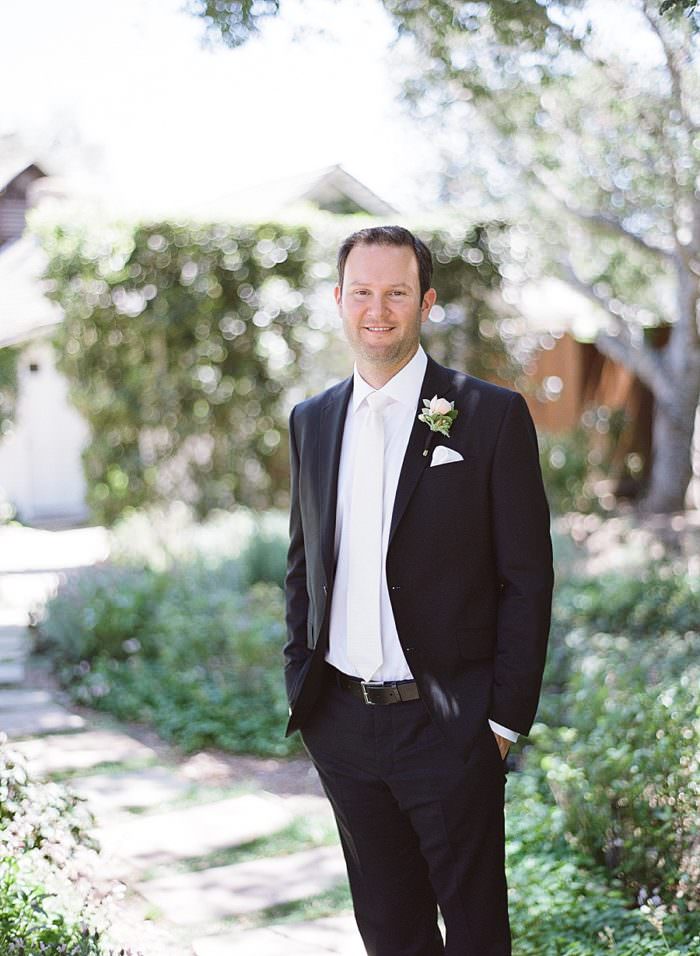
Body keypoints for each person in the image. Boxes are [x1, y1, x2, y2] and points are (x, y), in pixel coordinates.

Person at [283, 225, 553, 956]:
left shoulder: (490, 415)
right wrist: (304, 686)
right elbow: (303, 566)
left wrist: (501, 723)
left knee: (474, 934)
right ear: (339, 299)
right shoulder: (311, 420)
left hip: (450, 729)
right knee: (389, 933)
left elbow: (528, 579)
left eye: (397, 292)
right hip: (343, 727)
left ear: (426, 302)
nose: (378, 309)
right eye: (362, 292)